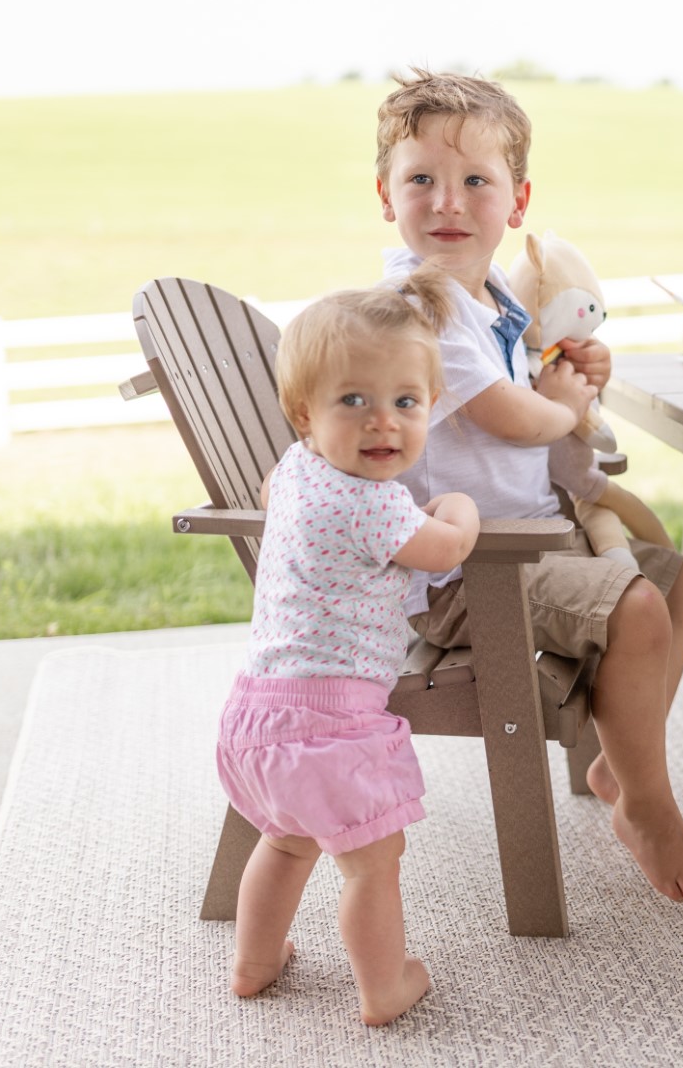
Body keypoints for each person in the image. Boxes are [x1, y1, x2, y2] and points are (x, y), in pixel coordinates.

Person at [374, 69, 683, 903]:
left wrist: (572, 379)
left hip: (528, 541)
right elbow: (510, 419)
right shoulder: (416, 306)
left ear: (518, 201)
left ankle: (619, 768)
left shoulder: (490, 301)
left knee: (676, 587)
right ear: (386, 195)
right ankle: (650, 806)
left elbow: (532, 403)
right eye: (421, 178)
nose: (448, 201)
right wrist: (559, 403)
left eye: (475, 181)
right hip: (464, 569)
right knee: (637, 607)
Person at [216, 269, 482, 1025]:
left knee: (286, 841)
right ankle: (384, 987)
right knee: (373, 867)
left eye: (406, 403)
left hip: (255, 718)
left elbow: (274, 500)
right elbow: (445, 547)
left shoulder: (296, 471)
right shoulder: (375, 507)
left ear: (429, 405)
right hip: (334, 726)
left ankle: (255, 962)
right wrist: (458, 506)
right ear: (305, 413)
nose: (382, 425)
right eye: (354, 403)